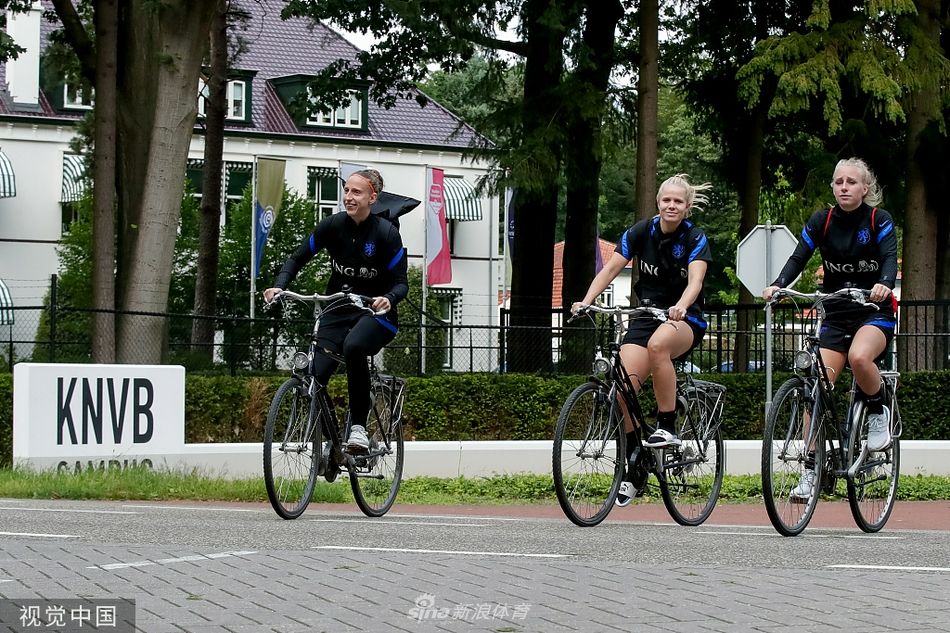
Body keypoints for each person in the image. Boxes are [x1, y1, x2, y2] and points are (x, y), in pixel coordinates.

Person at [571, 174, 713, 507]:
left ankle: (667, 424)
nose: (671, 205)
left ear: (687, 206)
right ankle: (636, 460)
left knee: (659, 346)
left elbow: (695, 281)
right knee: (621, 388)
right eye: (666, 200)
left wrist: (681, 305)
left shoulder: (695, 237)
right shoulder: (640, 232)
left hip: (684, 318)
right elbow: (609, 270)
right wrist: (587, 300)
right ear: (658, 203)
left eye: (678, 201)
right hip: (646, 315)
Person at [763, 157, 898, 500]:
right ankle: (811, 471)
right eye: (838, 182)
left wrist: (884, 283)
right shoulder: (820, 221)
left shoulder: (877, 220)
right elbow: (799, 257)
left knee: (860, 358)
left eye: (851, 182)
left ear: (865, 188)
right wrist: (778, 285)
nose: (844, 188)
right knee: (815, 388)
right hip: (836, 313)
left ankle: (878, 412)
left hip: (872, 310)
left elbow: (888, 259)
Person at [263, 169, 408, 454]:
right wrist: (280, 286)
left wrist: (389, 298)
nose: (348, 197)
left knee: (354, 347)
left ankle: (358, 428)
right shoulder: (332, 226)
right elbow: (297, 257)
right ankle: (331, 441)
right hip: (338, 309)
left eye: (356, 192)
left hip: (376, 315)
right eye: (346, 191)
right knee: (314, 375)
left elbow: (402, 283)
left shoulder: (385, 233)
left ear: (372, 198)